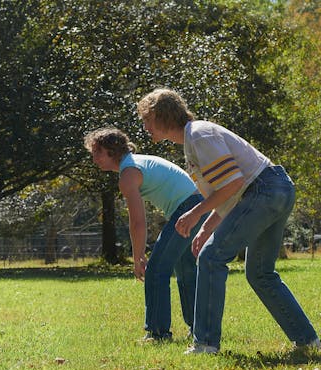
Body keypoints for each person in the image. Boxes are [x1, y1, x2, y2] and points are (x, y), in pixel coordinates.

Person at [137, 87, 321, 354]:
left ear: (161, 116)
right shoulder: (193, 140)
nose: (144, 127)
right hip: (274, 190)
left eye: (146, 119)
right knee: (260, 273)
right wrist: (205, 230)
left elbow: (234, 183)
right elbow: (228, 193)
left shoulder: (199, 134)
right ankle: (308, 342)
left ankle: (205, 343)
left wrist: (195, 214)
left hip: (263, 191)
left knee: (212, 257)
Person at [84, 127, 206, 342]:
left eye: (97, 152)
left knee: (156, 270)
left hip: (189, 208)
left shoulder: (128, 174)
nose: (94, 159)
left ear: (112, 151)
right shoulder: (134, 163)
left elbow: (138, 222)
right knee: (185, 269)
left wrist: (138, 257)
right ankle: (200, 329)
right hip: (198, 205)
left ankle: (158, 334)